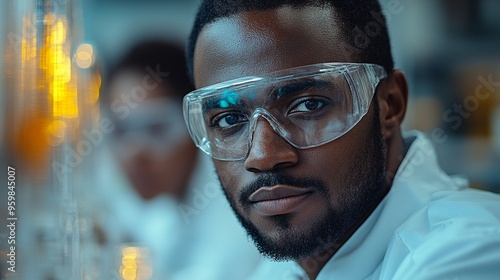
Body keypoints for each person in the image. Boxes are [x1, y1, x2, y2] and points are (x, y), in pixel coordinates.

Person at [182, 1, 500, 279]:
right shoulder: (284, 270)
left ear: (390, 104)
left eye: (309, 105)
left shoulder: (469, 252)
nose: (263, 156)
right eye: (229, 119)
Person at [100, 40, 261, 279]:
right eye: (121, 131)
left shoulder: (234, 205)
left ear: (199, 123)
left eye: (156, 129)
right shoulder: (167, 204)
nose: (134, 154)